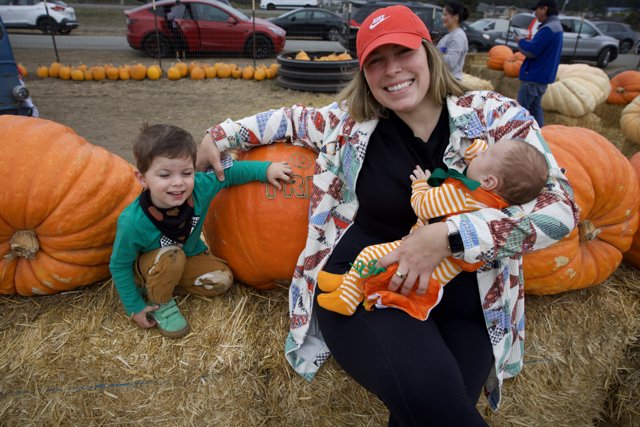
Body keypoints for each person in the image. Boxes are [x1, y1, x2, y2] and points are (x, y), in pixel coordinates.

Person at [197, 5, 577, 425]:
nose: (392, 70)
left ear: (428, 53)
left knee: (421, 416)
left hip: (468, 301)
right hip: (369, 287)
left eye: (403, 54)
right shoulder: (349, 125)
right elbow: (289, 119)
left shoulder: (494, 116)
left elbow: (561, 208)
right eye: (377, 60)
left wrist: (450, 236)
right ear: (364, 73)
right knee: (439, 404)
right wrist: (219, 134)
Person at [317, 138, 549, 319]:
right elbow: (480, 158)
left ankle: (346, 300)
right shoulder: (493, 206)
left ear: (488, 182)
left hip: (421, 261)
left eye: (486, 154)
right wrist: (479, 152)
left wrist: (420, 185)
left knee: (371, 255)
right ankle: (349, 282)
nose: (480, 152)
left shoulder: (462, 194)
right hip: (441, 274)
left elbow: (424, 207)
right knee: (375, 265)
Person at [109, 123, 292, 338]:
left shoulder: (200, 188)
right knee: (171, 257)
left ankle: (166, 283)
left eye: (186, 172)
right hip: (152, 264)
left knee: (222, 280)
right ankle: (160, 302)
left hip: (185, 257)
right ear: (142, 179)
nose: (178, 183)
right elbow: (119, 265)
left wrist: (266, 169)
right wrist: (135, 307)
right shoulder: (132, 221)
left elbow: (231, 174)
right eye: (165, 175)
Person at [516, 0, 563, 127]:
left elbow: (532, 51)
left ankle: (520, 138)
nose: (535, 13)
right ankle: (541, 134)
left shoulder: (548, 29)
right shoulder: (555, 26)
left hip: (535, 76)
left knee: (521, 110)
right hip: (542, 76)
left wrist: (521, 42)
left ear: (544, 9)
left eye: (536, 10)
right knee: (535, 109)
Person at [436, 1, 469, 80]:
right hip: (444, 80)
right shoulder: (448, 36)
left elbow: (450, 64)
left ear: (455, 17)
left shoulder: (458, 37)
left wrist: (434, 56)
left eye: (445, 15)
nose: (442, 17)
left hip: (451, 82)